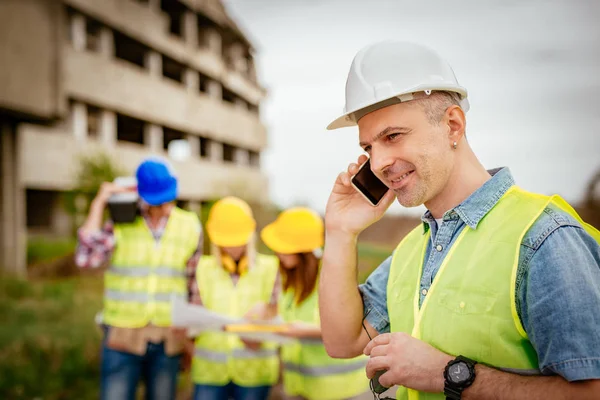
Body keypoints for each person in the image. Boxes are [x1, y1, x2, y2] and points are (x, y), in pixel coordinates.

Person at [318, 40, 600, 400]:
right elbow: (343, 342)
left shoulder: (545, 237)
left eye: (393, 136)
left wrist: (447, 374)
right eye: (369, 147)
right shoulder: (411, 250)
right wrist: (341, 231)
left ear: (452, 125)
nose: (378, 163)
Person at [75, 157, 203, 400]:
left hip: (168, 337)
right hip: (122, 337)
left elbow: (194, 283)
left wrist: (191, 333)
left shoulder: (189, 225)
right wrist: (99, 203)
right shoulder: (123, 222)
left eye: (168, 199)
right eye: (158, 201)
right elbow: (86, 259)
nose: (164, 206)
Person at [260, 207, 370, 400]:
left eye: (283, 246)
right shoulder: (291, 278)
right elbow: (291, 314)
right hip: (300, 385)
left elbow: (349, 328)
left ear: (302, 251)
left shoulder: (334, 275)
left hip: (339, 388)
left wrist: (304, 331)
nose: (277, 252)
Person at [191, 196, 280, 400]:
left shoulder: (270, 268)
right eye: (226, 242)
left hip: (255, 371)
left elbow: (280, 314)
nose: (232, 248)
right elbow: (194, 314)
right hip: (210, 372)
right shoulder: (203, 268)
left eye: (237, 241)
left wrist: (262, 332)